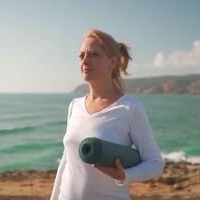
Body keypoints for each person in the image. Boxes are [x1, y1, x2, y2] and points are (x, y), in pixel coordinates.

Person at [50, 29, 165, 200]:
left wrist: (124, 176)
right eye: (81, 56)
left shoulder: (129, 108)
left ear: (112, 62)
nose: (85, 61)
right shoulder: (74, 106)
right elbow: (67, 161)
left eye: (93, 54)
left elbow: (155, 163)